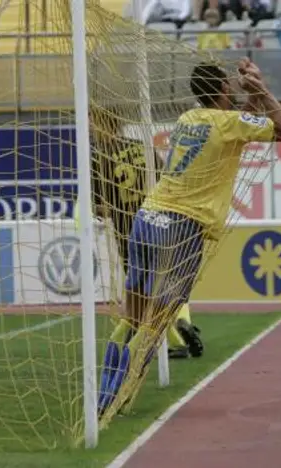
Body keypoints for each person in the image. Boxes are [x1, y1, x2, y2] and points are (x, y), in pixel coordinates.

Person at [97, 57, 281, 418]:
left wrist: (246, 95)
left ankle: (104, 394)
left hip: (148, 217)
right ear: (223, 89)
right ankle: (122, 393)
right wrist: (260, 89)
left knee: (134, 315)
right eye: (228, 87)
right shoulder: (228, 124)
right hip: (182, 227)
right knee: (159, 318)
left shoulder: (188, 119)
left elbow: (238, 127)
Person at [79, 106, 204, 361]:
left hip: (130, 232)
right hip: (158, 221)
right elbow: (165, 179)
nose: (89, 129)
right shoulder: (141, 147)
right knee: (166, 279)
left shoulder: (97, 158)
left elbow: (102, 208)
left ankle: (159, 341)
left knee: (141, 290)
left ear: (105, 124)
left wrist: (103, 210)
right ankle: (182, 322)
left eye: (92, 123)